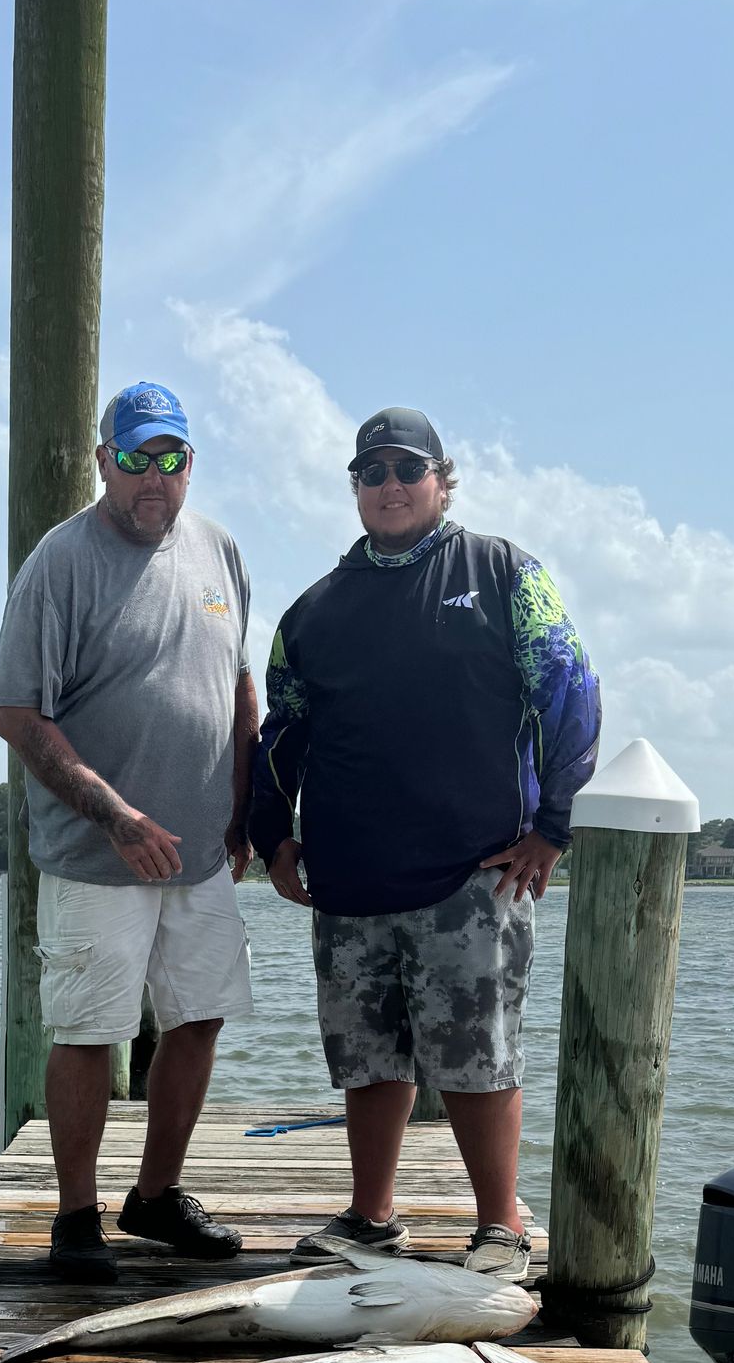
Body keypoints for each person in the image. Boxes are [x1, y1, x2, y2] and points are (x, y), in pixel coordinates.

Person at [247, 406, 600, 1277]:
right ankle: (371, 1218)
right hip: (349, 879)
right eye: (374, 474)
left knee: (479, 1059)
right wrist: (272, 839)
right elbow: (281, 733)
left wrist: (552, 826)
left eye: (409, 470)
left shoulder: (503, 571)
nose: (392, 487)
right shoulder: (314, 611)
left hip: (470, 876)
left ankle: (499, 1228)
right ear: (356, 489)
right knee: (368, 1060)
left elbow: (570, 688)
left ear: (445, 479)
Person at [0, 380, 258, 1281]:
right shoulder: (60, 562)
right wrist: (114, 814)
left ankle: (155, 1196)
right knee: (89, 1031)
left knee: (198, 1017)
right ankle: (76, 1216)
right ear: (104, 462)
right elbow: (19, 714)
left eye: (171, 458)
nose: (154, 477)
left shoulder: (220, 549)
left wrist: (249, 810)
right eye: (136, 457)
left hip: (201, 855)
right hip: (96, 856)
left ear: (191, 464)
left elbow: (238, 692)